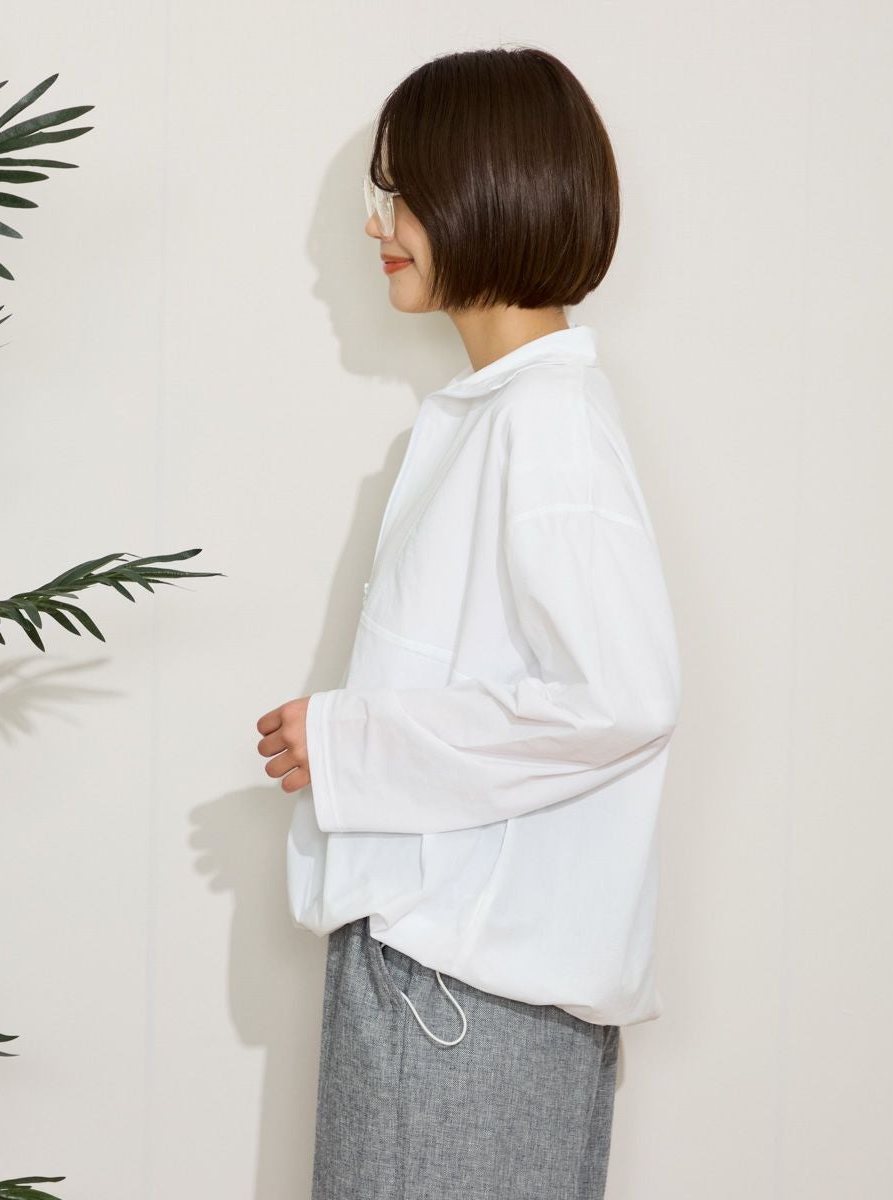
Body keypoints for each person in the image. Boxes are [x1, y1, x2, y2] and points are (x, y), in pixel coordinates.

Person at [256, 45, 682, 1200]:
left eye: (403, 192)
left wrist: (347, 743)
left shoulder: (544, 425)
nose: (376, 223)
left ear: (487, 190)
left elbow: (622, 697)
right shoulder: (510, 419)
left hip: (458, 996)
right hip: (453, 984)